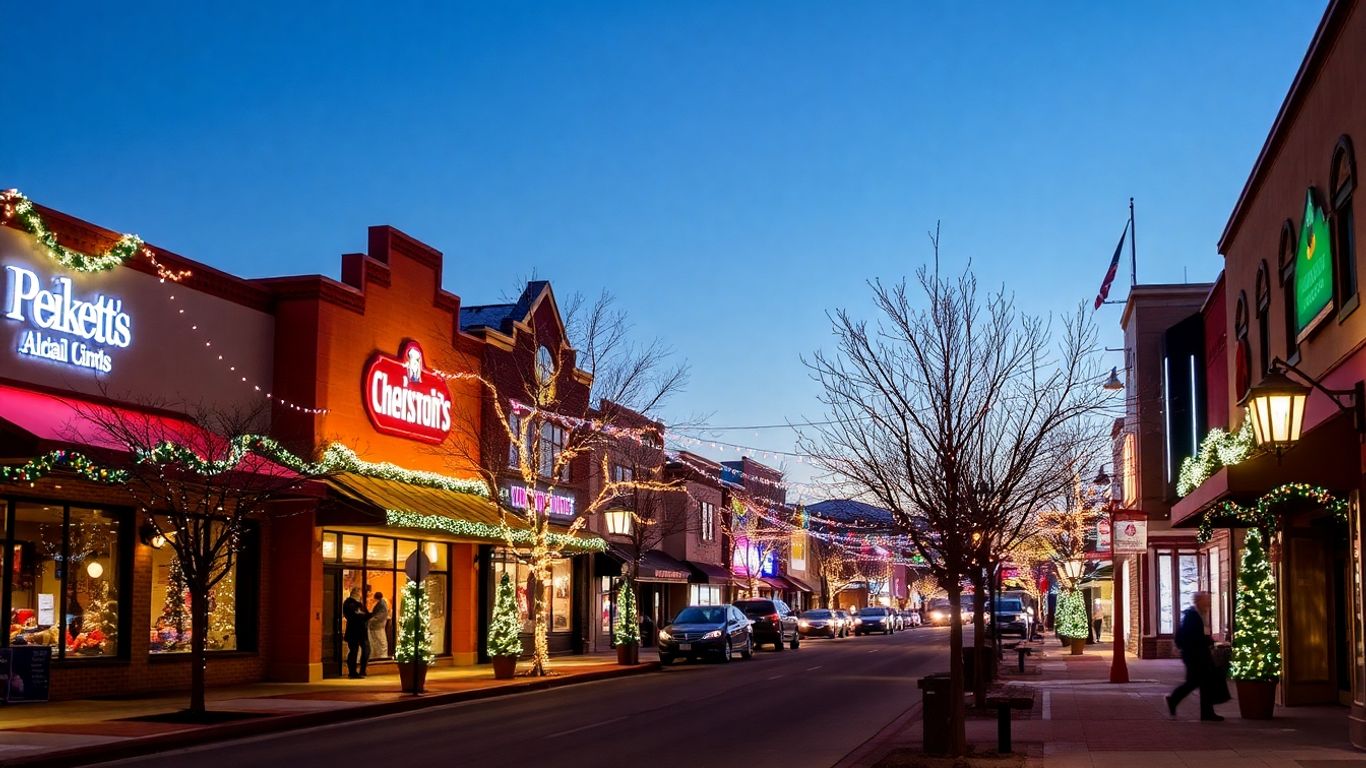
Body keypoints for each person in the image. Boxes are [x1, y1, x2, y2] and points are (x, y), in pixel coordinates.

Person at [1166, 592, 1223, 722]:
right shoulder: (1193, 616)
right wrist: (1209, 641)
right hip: (1195, 656)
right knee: (1196, 682)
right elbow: (1192, 637)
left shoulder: (1199, 614)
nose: (1209, 602)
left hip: (1197, 655)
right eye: (1206, 600)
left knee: (1202, 683)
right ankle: (1174, 700)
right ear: (1199, 602)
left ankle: (1206, 713)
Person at [342, 587, 371, 679]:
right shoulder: (349, 603)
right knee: (354, 651)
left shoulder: (359, 604)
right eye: (359, 592)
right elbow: (354, 616)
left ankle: (362, 670)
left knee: (366, 650)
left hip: (361, 631)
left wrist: (366, 615)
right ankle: (352, 672)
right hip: (353, 631)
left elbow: (365, 615)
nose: (360, 594)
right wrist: (363, 615)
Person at [368, 591, 390, 660]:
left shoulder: (381, 605)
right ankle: (379, 656)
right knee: (379, 642)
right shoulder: (381, 604)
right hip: (377, 626)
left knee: (380, 642)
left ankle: (382, 657)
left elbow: (380, 616)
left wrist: (370, 620)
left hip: (378, 626)